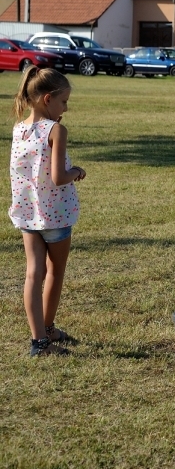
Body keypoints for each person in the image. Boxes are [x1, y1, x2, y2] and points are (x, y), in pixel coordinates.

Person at [9, 66, 86, 357]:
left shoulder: (19, 129)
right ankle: (49, 326)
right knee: (55, 271)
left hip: (28, 214)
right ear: (48, 99)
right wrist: (76, 171)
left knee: (33, 273)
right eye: (64, 101)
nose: (66, 107)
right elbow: (58, 177)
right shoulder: (57, 130)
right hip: (56, 215)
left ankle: (39, 341)